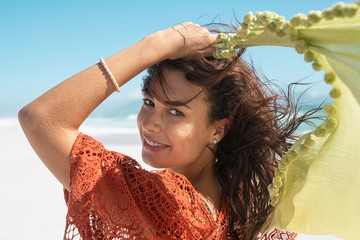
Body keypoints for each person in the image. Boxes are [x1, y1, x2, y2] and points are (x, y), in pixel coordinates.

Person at [19, 22, 299, 239]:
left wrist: (156, 44)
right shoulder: (242, 199)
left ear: (218, 129)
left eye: (176, 112)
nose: (150, 123)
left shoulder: (170, 208)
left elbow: (40, 119)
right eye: (149, 102)